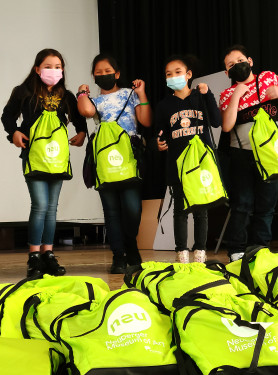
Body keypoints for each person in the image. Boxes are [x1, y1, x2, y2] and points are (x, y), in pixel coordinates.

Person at [1, 48, 87, 277]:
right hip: (34, 156)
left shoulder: (67, 96)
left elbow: (79, 120)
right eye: (48, 66)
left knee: (51, 208)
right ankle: (34, 257)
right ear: (37, 69)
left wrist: (81, 133)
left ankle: (48, 254)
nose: (53, 70)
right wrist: (14, 134)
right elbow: (7, 115)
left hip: (57, 158)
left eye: (58, 67)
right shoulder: (23, 92)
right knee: (40, 205)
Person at [219, 44, 278, 262]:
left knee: (266, 205)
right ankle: (236, 250)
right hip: (241, 155)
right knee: (242, 203)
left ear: (250, 61)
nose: (237, 65)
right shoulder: (226, 93)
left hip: (270, 156)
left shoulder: (267, 78)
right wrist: (237, 93)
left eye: (240, 60)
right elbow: (227, 126)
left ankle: (260, 249)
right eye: (231, 65)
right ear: (227, 73)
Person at [77, 53, 152, 274]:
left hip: (129, 157)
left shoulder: (129, 94)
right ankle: (119, 256)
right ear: (93, 76)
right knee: (111, 212)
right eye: (98, 73)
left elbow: (146, 121)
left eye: (107, 72)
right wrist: (82, 92)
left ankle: (131, 246)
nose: (103, 75)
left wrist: (142, 93)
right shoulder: (94, 101)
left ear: (117, 73)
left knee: (132, 209)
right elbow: (87, 111)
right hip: (105, 160)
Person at [156, 55, 222, 263]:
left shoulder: (200, 97)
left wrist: (208, 94)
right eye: (169, 74)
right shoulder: (164, 105)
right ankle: (181, 253)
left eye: (178, 72)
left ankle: (200, 251)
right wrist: (157, 143)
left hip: (201, 163)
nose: (173, 76)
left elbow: (217, 121)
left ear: (188, 74)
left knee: (201, 210)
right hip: (177, 164)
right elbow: (160, 134)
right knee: (180, 209)